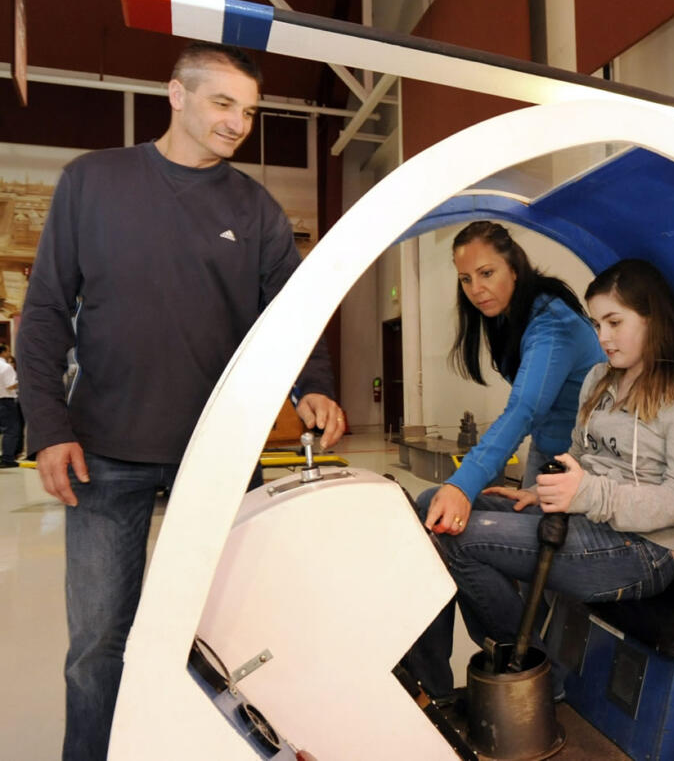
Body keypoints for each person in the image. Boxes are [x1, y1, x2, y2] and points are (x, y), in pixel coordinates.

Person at [16, 41, 344, 761]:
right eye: (222, 103)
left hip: (218, 457)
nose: (237, 123)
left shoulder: (254, 209)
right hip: (103, 449)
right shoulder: (91, 182)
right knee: (98, 639)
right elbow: (43, 311)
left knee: (230, 633)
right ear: (176, 93)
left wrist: (315, 384)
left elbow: (292, 314)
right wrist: (49, 424)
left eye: (249, 112)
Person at [423, 258, 674, 694]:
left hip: (648, 547)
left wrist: (586, 494)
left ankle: (538, 677)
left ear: (653, 318)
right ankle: (447, 678)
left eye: (615, 322)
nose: (603, 338)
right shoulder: (600, 379)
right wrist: (539, 492)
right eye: (597, 323)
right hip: (587, 517)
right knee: (431, 504)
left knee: (455, 537)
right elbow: (580, 455)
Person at [406, 221, 605, 694]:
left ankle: (534, 669)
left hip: (582, 472)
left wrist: (465, 485)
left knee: (457, 532)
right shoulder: (511, 318)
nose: (477, 289)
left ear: (513, 266)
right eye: (466, 279)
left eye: (487, 272)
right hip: (546, 460)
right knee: (428, 512)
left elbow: (525, 409)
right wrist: (469, 489)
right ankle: (429, 680)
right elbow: (530, 416)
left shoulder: (551, 323)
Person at [0, 343, 23, 467]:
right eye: (8, 351)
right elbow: (10, 385)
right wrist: (21, 381)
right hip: (6, 401)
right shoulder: (6, 367)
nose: (9, 354)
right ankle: (7, 458)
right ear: (3, 352)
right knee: (11, 430)